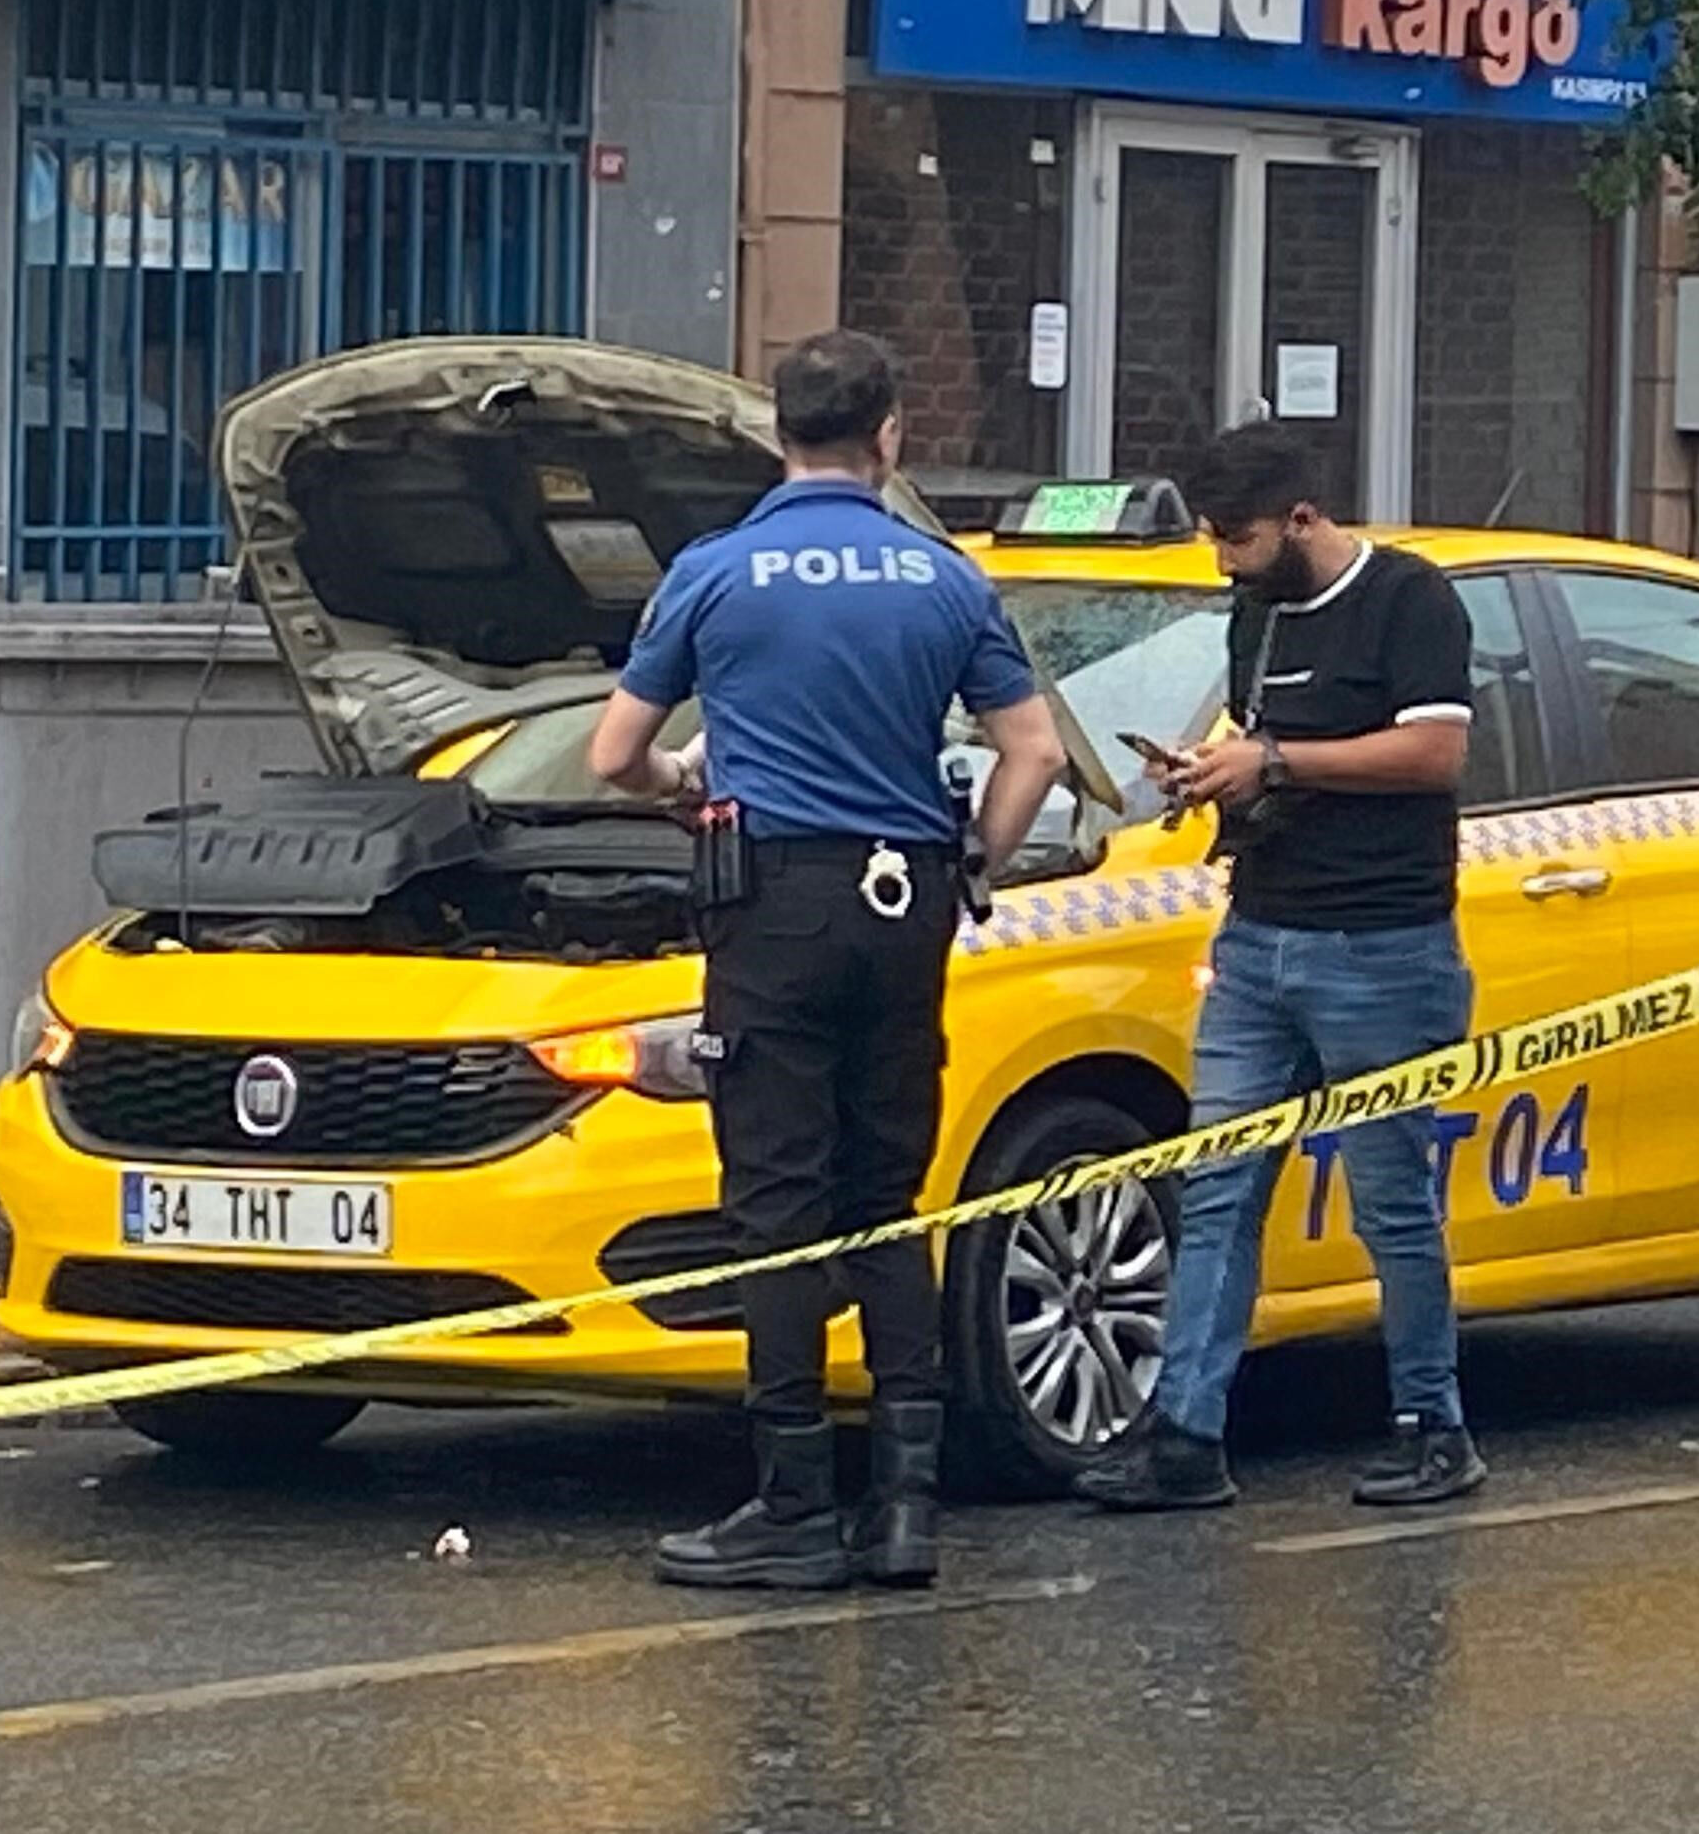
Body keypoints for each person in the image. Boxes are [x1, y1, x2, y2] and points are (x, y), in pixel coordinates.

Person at [588, 329, 1062, 1591]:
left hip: (776, 909)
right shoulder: (942, 574)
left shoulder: (718, 571)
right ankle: (906, 1509)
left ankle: (793, 1502)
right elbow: (1036, 752)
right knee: (885, 1200)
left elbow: (612, 755)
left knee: (781, 1209)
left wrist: (685, 783)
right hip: (905, 902)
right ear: (891, 433)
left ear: (775, 435)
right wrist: (979, 864)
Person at [1074, 422, 1488, 1512]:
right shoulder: (1253, 616)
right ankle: (1185, 1436)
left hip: (1382, 942)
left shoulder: (1410, 599)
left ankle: (1431, 1424)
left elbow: (1435, 752)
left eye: (1241, 537)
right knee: (1217, 1186)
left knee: (1392, 1195)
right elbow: (1268, 751)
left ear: (1304, 519)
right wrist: (1221, 777)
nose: (1224, 558)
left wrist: (1276, 758)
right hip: (1258, 936)